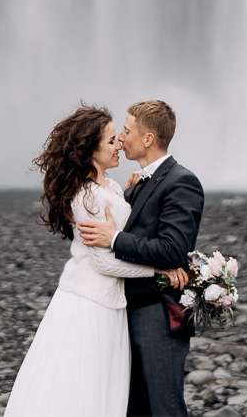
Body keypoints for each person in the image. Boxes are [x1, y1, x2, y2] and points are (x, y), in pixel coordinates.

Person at [4, 105, 189, 417]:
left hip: (110, 303)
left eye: (120, 137)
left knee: (105, 386)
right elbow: (105, 263)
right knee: (82, 386)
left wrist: (132, 194)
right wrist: (159, 268)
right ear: (90, 149)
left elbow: (122, 225)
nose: (118, 143)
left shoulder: (114, 186)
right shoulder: (86, 196)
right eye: (110, 140)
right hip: (90, 304)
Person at [78, 100, 204, 416]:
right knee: (132, 408)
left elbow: (173, 250)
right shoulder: (135, 186)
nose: (121, 138)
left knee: (165, 407)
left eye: (127, 131)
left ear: (148, 139)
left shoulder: (181, 182)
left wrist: (116, 240)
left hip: (157, 314)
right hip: (126, 313)